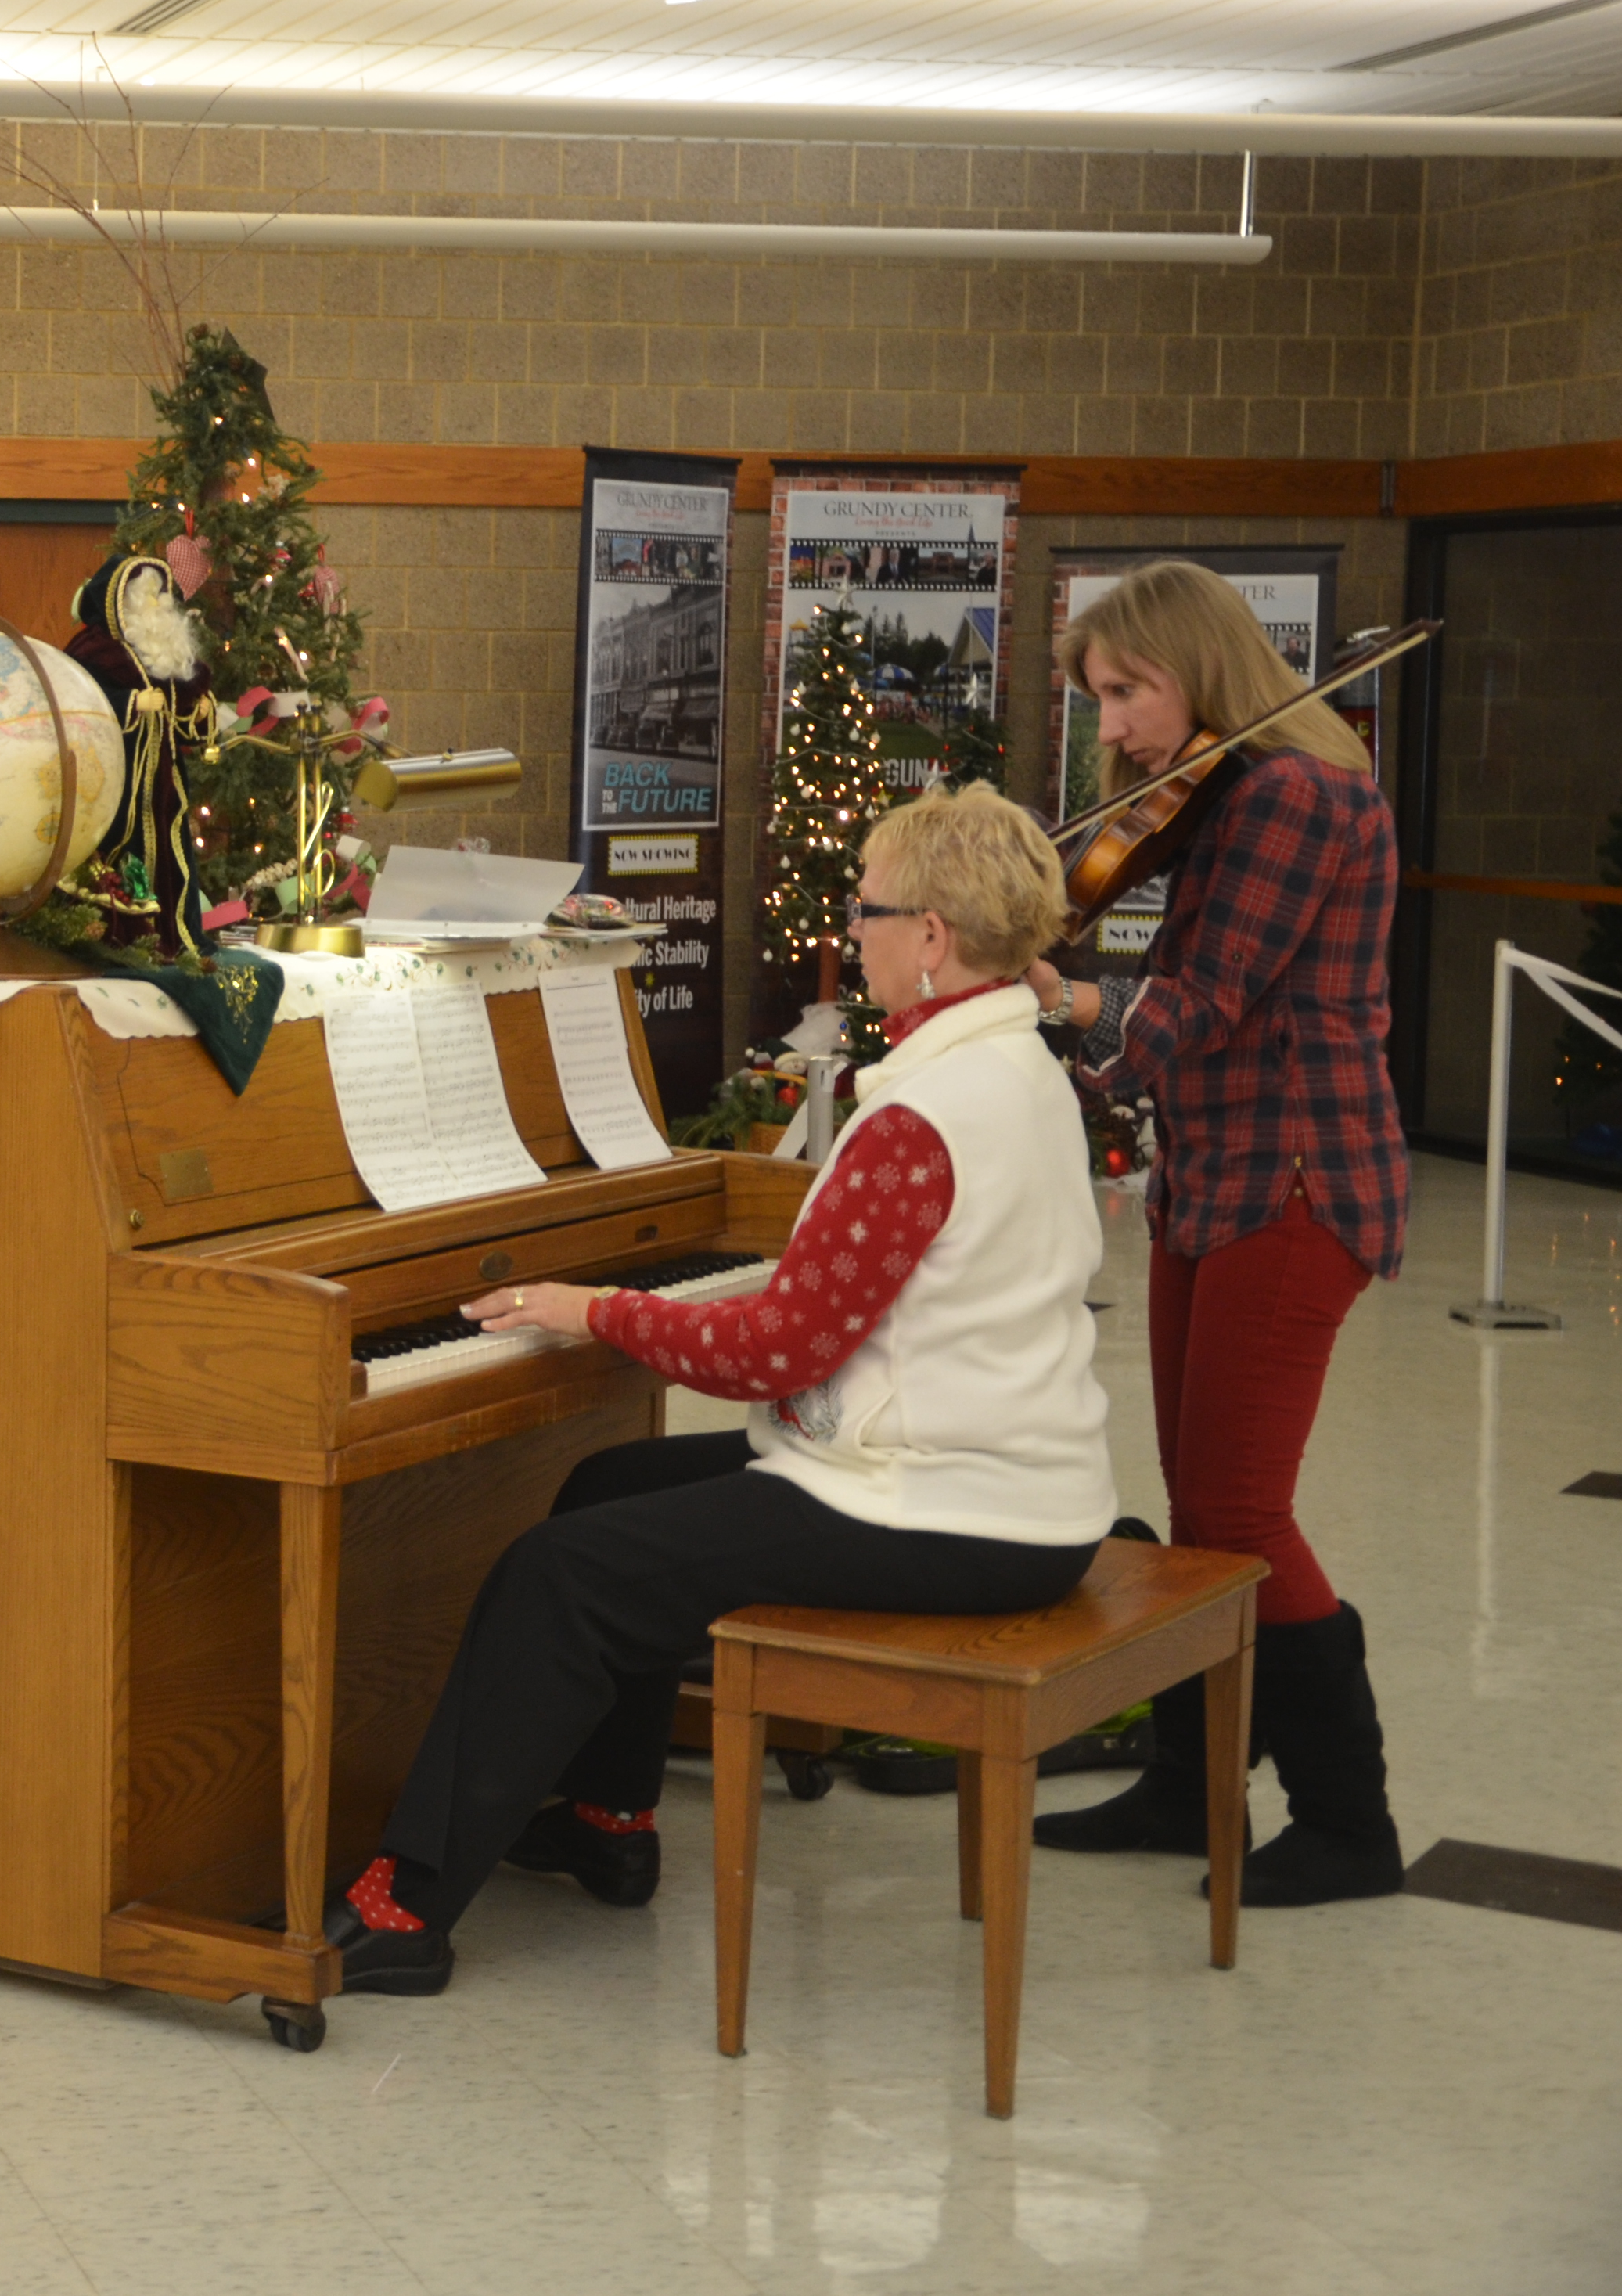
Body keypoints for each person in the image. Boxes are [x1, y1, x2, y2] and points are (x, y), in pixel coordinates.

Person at [328, 783, 1113, 1995]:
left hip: (944, 1507)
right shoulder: (1016, 1059)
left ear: (933, 938)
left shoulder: (925, 1112)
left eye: (867, 908)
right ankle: (608, 1823)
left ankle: (408, 1909)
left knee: (559, 1577)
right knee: (606, 1487)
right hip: (1010, 1482)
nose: (852, 929)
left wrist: (592, 1309)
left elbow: (777, 1353)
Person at [1025, 560, 1408, 1907]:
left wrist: (1057, 1001)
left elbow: (1205, 1001)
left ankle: (1350, 1826)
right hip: (1216, 1177)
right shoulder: (1231, 792)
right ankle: (1195, 1796)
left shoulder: (1298, 792)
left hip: (1298, 1184)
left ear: (1200, 664)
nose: (1114, 728)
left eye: (1127, 690)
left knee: (1242, 1508)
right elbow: (1168, 1027)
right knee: (1199, 1511)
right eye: (1099, 699)